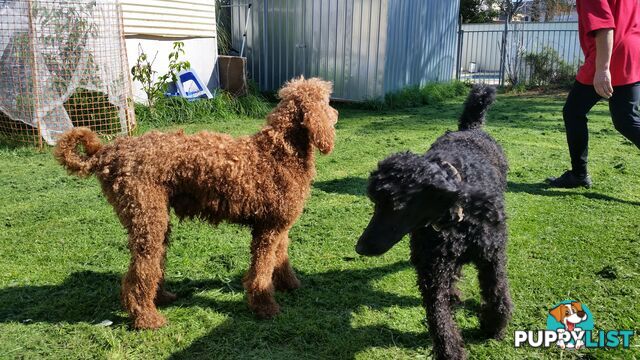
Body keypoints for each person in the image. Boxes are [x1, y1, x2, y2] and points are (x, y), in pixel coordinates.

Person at [547, 0, 640, 188]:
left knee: (573, 112)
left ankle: (579, 175)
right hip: (632, 51)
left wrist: (603, 68)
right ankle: (578, 174)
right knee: (626, 120)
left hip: (610, 55)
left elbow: (604, 26)